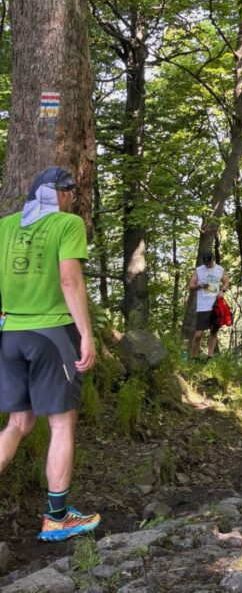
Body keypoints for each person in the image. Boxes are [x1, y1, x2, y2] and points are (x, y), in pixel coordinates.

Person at [0, 167, 100, 542]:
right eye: (69, 192)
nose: (71, 199)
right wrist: (86, 334)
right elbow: (69, 279)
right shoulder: (67, 224)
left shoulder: (5, 226)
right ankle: (57, 518)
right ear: (58, 193)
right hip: (53, 335)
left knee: (18, 423)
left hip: (11, 334)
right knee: (61, 425)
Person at [189, 250, 228, 359]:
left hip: (216, 305)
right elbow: (191, 286)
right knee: (198, 335)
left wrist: (222, 291)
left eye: (209, 262)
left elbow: (226, 282)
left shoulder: (220, 269)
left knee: (213, 331)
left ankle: (209, 357)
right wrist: (200, 285)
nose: (207, 264)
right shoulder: (198, 270)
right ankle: (194, 357)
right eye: (205, 262)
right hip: (202, 306)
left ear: (212, 259)